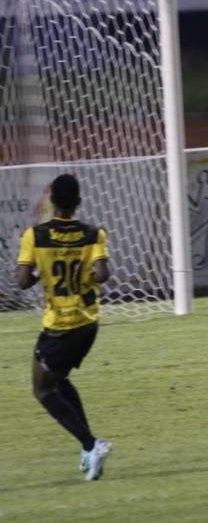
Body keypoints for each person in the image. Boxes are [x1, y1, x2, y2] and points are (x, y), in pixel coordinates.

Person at [16, 174, 113, 480]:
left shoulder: (36, 235)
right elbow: (102, 274)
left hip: (59, 326)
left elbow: (21, 281)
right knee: (59, 380)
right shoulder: (93, 234)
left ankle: (90, 444)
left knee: (42, 389)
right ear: (78, 201)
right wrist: (81, 271)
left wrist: (43, 274)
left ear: (52, 202)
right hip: (87, 324)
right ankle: (88, 449)